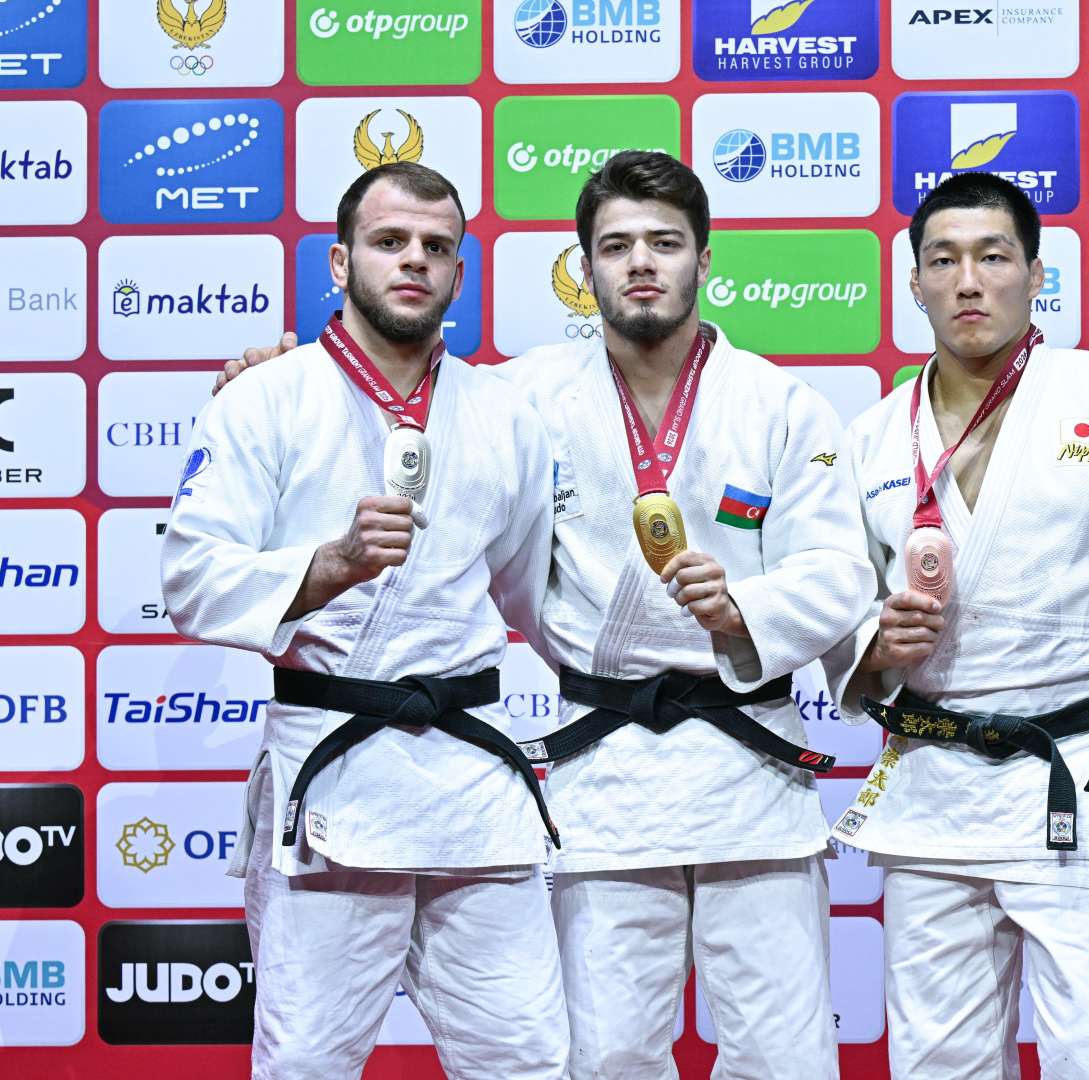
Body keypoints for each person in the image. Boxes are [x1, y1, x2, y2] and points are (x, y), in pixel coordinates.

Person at [216, 151, 873, 1080]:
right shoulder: (522, 398)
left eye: (665, 243)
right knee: (602, 1058)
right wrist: (280, 371)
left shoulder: (783, 403)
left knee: (787, 1058)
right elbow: (402, 394)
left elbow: (841, 572)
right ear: (585, 264)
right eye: (617, 246)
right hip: (602, 773)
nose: (641, 262)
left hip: (748, 770)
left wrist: (746, 607)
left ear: (704, 259)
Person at [161, 162, 568, 1079]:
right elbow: (190, 577)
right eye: (390, 243)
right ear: (340, 264)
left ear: (460, 274)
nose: (414, 261)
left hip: (473, 778)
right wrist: (326, 568)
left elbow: (527, 589)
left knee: (528, 1057)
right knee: (306, 1059)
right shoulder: (264, 399)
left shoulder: (505, 412)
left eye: (436, 247)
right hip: (334, 770)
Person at [821, 172, 1089, 1079]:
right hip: (933, 793)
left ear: (1036, 274)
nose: (969, 281)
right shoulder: (872, 437)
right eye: (945, 260)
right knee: (937, 1063)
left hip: (1079, 784)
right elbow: (840, 604)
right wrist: (871, 649)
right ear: (914, 283)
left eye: (993, 256)